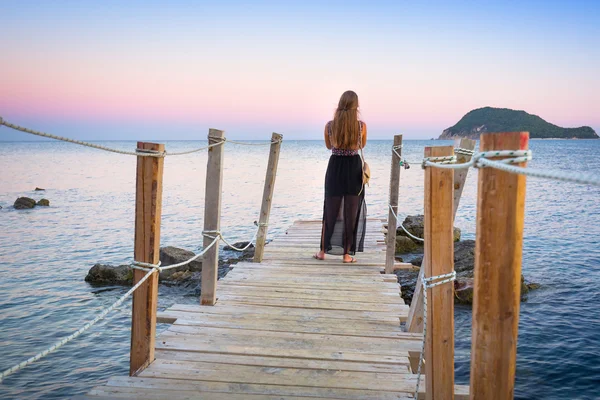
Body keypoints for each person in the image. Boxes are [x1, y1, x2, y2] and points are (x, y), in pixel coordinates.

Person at [313, 90, 367, 263]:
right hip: (353, 167)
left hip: (335, 166)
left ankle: (322, 251)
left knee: (330, 209)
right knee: (351, 210)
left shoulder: (329, 125)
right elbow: (361, 145)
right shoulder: (361, 126)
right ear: (356, 105)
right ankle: (346, 254)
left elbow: (329, 146)